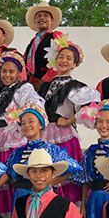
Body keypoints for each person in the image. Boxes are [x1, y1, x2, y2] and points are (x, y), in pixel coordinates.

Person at [0, 50, 45, 218]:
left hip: (14, 136)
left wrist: (21, 120)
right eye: (4, 71)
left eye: (12, 71)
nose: (7, 75)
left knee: (14, 177)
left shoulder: (24, 88)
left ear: (19, 73)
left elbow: (33, 103)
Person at [38, 37, 100, 186]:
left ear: (74, 63)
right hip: (44, 133)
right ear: (55, 59)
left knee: (66, 171)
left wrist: (68, 120)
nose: (64, 60)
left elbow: (91, 107)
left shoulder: (77, 86)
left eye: (69, 58)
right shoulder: (45, 86)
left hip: (64, 134)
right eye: (61, 57)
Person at [23, 1, 64, 88]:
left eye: (46, 15)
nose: (42, 18)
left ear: (51, 20)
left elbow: (63, 58)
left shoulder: (56, 36)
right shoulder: (32, 42)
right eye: (39, 16)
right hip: (31, 83)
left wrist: (44, 80)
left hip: (50, 84)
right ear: (34, 21)